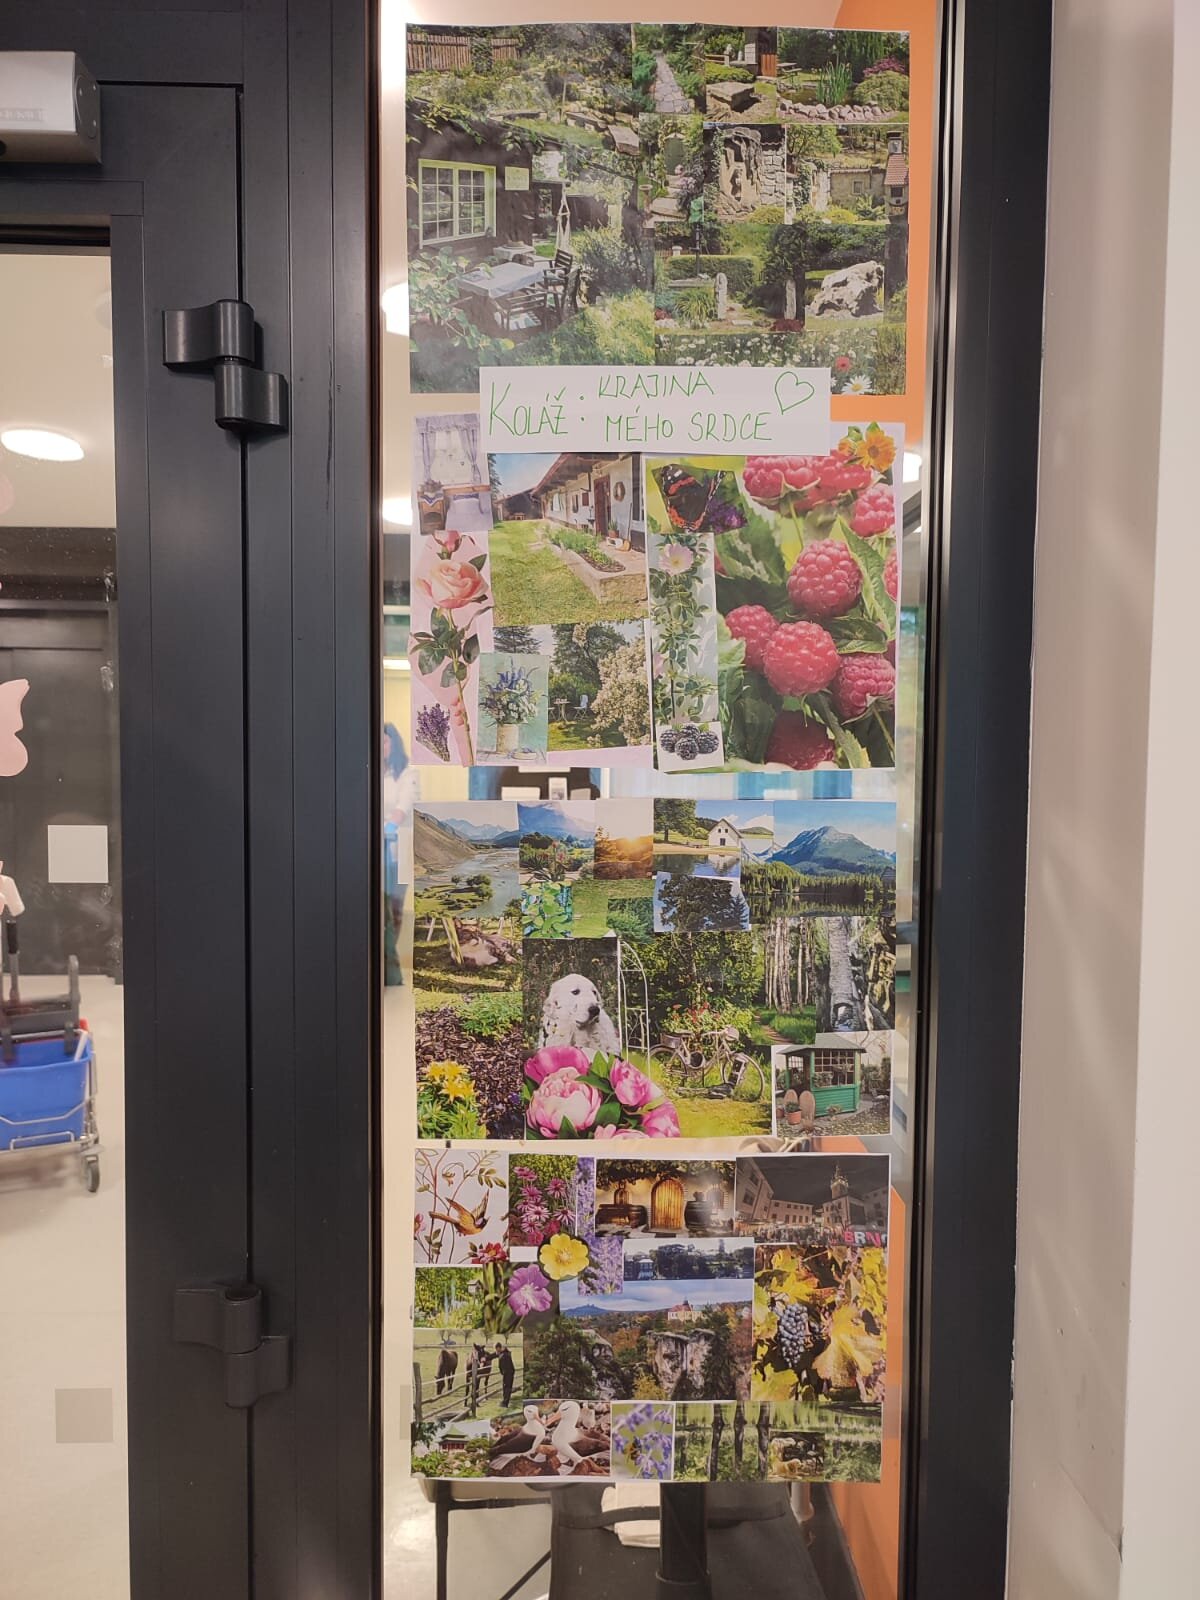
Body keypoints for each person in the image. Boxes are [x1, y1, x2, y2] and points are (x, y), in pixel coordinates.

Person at [382, 723, 413, 987]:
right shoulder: (372, 770)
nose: (381, 747)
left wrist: (387, 826)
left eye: (385, 742)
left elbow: (402, 808)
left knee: (395, 908)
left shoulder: (406, 773)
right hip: (375, 848)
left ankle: (389, 966)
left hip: (398, 848)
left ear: (394, 744)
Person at [495, 1340, 515, 1406]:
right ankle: (505, 1401)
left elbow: (501, 1367)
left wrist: (503, 1373)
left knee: (506, 1388)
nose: (496, 1350)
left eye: (496, 1349)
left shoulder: (503, 1355)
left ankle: (505, 1403)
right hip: (510, 1373)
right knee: (508, 1388)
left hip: (507, 1374)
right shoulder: (507, 1353)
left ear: (498, 1348)